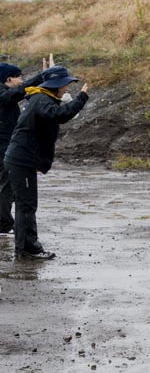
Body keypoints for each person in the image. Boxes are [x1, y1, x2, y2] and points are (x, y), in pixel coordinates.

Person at [3, 65, 90, 260]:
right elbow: (60, 115)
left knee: (25, 205)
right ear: (57, 85)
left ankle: (25, 248)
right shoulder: (42, 99)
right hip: (20, 160)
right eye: (66, 84)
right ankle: (28, 249)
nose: (67, 88)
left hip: (22, 159)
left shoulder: (40, 98)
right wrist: (81, 98)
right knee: (26, 206)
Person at [1, 60, 53, 236]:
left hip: (7, 147)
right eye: (19, 77)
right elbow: (20, 92)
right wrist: (43, 76)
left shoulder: (6, 94)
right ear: (8, 79)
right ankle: (3, 225)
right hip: (4, 148)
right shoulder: (3, 96)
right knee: (5, 187)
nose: (22, 80)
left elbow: (23, 93)